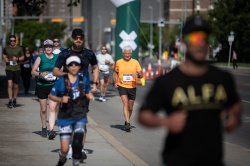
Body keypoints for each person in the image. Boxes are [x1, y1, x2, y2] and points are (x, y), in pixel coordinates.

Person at [138, 16, 242, 166]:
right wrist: (166, 121)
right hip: (176, 160)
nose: (200, 43)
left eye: (204, 38)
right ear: (184, 42)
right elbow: (143, 115)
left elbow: (235, 104)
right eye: (194, 38)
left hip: (213, 161)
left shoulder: (222, 78)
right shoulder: (168, 81)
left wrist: (234, 116)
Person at [53, 28, 99, 160]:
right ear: (72, 38)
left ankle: (79, 148)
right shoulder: (65, 53)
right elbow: (55, 71)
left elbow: (95, 68)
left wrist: (94, 83)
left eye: (81, 38)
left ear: (83, 39)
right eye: (76, 37)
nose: (78, 40)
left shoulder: (89, 54)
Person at [49, 55, 94, 166]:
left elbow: (88, 92)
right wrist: (61, 99)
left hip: (80, 116)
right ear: (67, 67)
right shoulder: (61, 81)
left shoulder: (84, 80)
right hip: (65, 117)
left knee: (77, 145)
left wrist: (90, 95)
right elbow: (51, 96)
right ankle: (62, 157)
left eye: (76, 65)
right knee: (64, 149)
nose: (73, 67)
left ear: (80, 66)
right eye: (71, 65)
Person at [31, 39, 59, 138]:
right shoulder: (40, 57)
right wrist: (40, 74)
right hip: (42, 85)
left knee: (52, 108)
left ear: (53, 48)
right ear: (44, 48)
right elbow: (33, 71)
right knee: (43, 109)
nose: (48, 48)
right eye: (46, 47)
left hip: (53, 85)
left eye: (50, 46)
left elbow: (62, 70)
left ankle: (51, 130)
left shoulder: (57, 57)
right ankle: (44, 127)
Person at [114, 45, 142, 132]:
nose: (127, 55)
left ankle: (126, 121)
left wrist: (137, 75)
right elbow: (116, 72)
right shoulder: (118, 62)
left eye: (129, 53)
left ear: (131, 53)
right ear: (123, 53)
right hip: (122, 86)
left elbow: (141, 75)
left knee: (130, 107)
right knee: (125, 104)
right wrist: (116, 81)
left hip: (132, 87)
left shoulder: (135, 62)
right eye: (126, 53)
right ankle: (128, 123)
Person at [3, 35, 24, 108]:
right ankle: (10, 100)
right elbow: (4, 54)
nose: (12, 42)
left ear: (16, 41)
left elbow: (22, 57)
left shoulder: (19, 48)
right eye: (11, 41)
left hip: (17, 69)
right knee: (9, 84)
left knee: (15, 85)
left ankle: (15, 99)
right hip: (9, 68)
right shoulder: (6, 48)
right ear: (9, 41)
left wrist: (17, 59)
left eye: (14, 41)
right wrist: (5, 58)